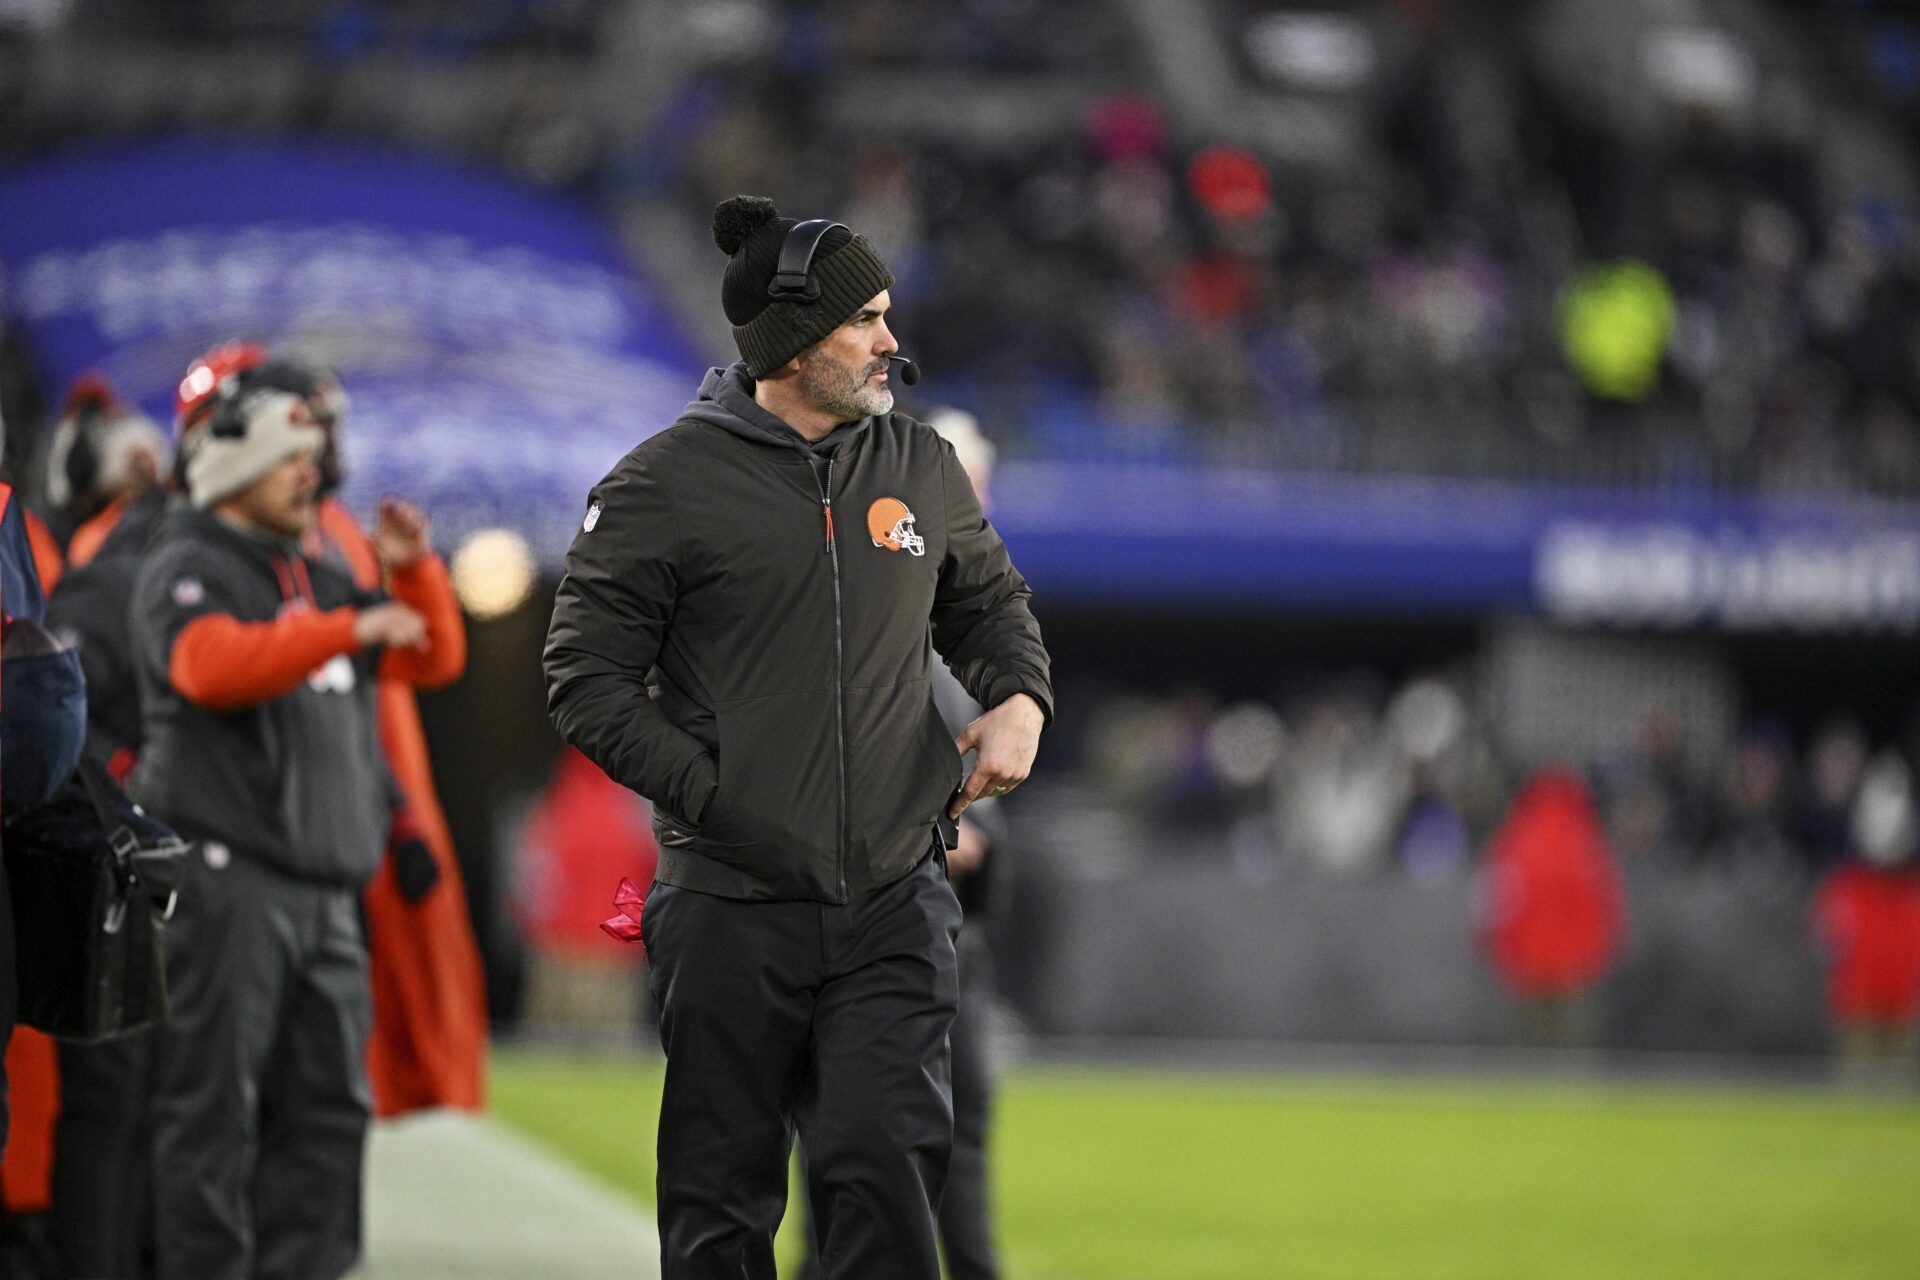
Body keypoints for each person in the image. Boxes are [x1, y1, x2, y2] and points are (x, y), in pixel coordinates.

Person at [544, 195, 1052, 1279]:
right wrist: (721, 799)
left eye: (886, 314)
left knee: (883, 1170)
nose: (890, 341)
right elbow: (583, 678)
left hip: (894, 898)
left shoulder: (918, 462)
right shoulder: (657, 484)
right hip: (730, 905)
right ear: (789, 337)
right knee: (720, 1207)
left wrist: (1018, 698)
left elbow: (992, 605)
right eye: (864, 319)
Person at [130, 370, 460, 1280]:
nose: (309, 476)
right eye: (290, 457)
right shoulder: (186, 561)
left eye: (313, 459)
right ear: (231, 458)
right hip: (227, 879)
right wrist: (339, 630)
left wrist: (413, 572)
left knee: (328, 1116)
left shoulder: (316, 574)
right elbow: (208, 666)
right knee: (215, 1114)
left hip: (325, 897)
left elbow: (431, 656)